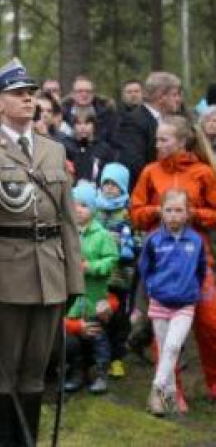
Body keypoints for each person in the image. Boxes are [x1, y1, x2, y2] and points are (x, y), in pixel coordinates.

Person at [0, 58, 83, 446]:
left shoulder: (51, 149)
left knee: (35, 371)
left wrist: (73, 279)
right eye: (18, 94)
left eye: (31, 93)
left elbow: (67, 221)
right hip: (5, 279)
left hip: (50, 276)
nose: (28, 99)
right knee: (4, 374)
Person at [130, 115, 216, 409]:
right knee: (163, 330)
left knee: (210, 323)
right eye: (157, 139)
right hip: (162, 262)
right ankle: (171, 390)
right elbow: (135, 212)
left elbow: (215, 212)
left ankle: (214, 383)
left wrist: (192, 215)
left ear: (182, 141)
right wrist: (159, 212)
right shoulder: (150, 172)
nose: (158, 144)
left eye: (163, 139)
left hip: (197, 260)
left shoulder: (204, 172)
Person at [138, 189, 207, 416]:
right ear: (161, 212)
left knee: (173, 346)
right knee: (165, 350)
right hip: (160, 301)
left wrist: (192, 288)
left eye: (179, 210)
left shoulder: (196, 240)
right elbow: (144, 267)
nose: (174, 215)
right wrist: (152, 288)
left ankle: (155, 390)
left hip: (185, 303)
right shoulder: (153, 239)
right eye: (169, 210)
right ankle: (168, 396)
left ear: (188, 213)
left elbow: (201, 268)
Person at [63, 183, 119, 394]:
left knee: (97, 338)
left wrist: (92, 267)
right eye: (74, 204)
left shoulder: (102, 235)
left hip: (95, 298)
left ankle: (101, 373)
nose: (78, 209)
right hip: (73, 301)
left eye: (84, 205)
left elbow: (112, 260)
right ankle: (77, 373)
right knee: (75, 341)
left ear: (94, 209)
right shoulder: (66, 233)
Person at [94, 163, 138, 378]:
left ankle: (117, 358)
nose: (110, 188)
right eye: (106, 183)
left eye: (115, 185)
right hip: (97, 275)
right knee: (96, 315)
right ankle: (97, 357)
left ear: (123, 187)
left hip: (119, 277)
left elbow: (138, 240)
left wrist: (126, 243)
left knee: (118, 318)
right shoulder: (94, 210)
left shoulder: (128, 213)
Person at [113, 71, 184, 189]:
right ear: (161, 96)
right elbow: (134, 164)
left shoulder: (174, 119)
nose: (179, 99)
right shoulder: (133, 122)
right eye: (174, 95)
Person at [63, 107, 114, 184]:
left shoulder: (104, 149)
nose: (82, 127)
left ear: (94, 125)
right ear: (73, 126)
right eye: (79, 123)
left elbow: (109, 175)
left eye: (87, 123)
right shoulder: (66, 147)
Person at [61, 76, 117, 144]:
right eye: (80, 91)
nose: (84, 94)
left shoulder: (106, 112)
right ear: (72, 94)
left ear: (93, 94)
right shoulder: (62, 113)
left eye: (88, 91)